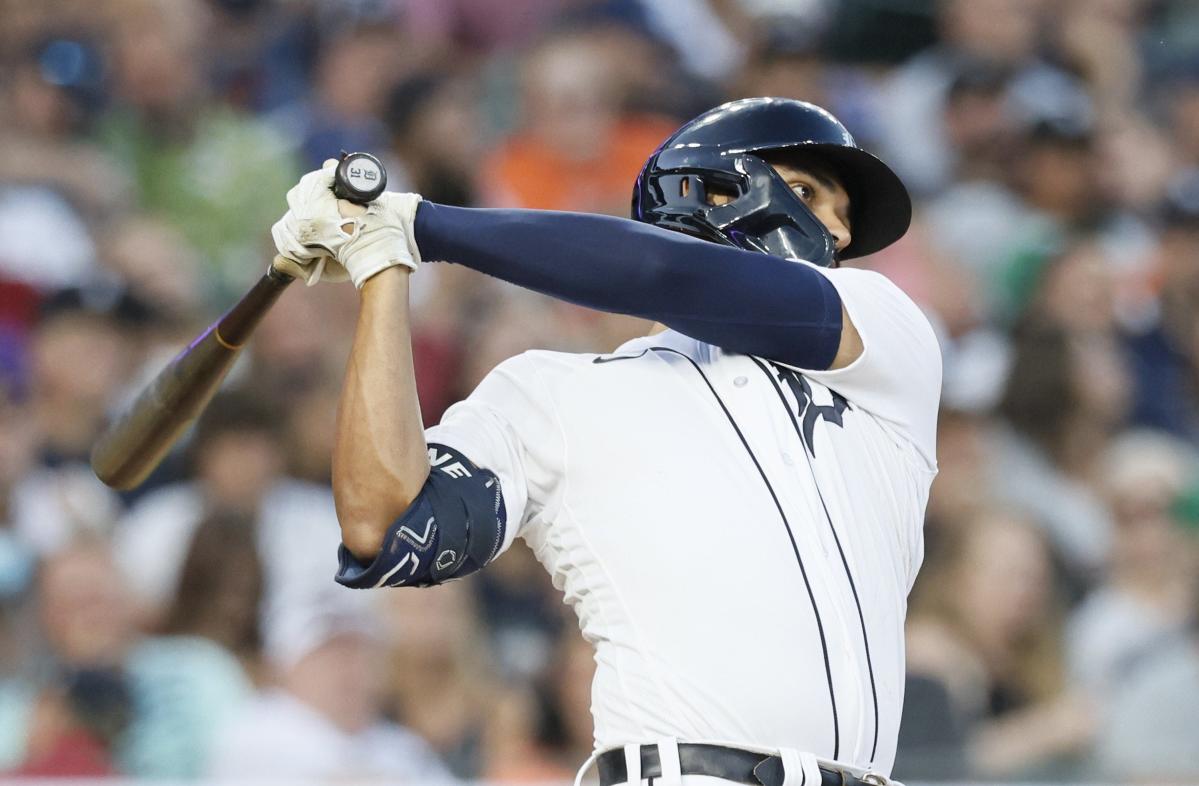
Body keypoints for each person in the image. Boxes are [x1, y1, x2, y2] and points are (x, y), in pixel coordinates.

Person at [271, 97, 941, 785]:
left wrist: (421, 224)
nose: (836, 226)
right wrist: (381, 266)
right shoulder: (554, 392)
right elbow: (381, 524)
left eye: (841, 212)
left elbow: (669, 274)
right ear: (704, 194)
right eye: (805, 191)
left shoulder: (886, 338)